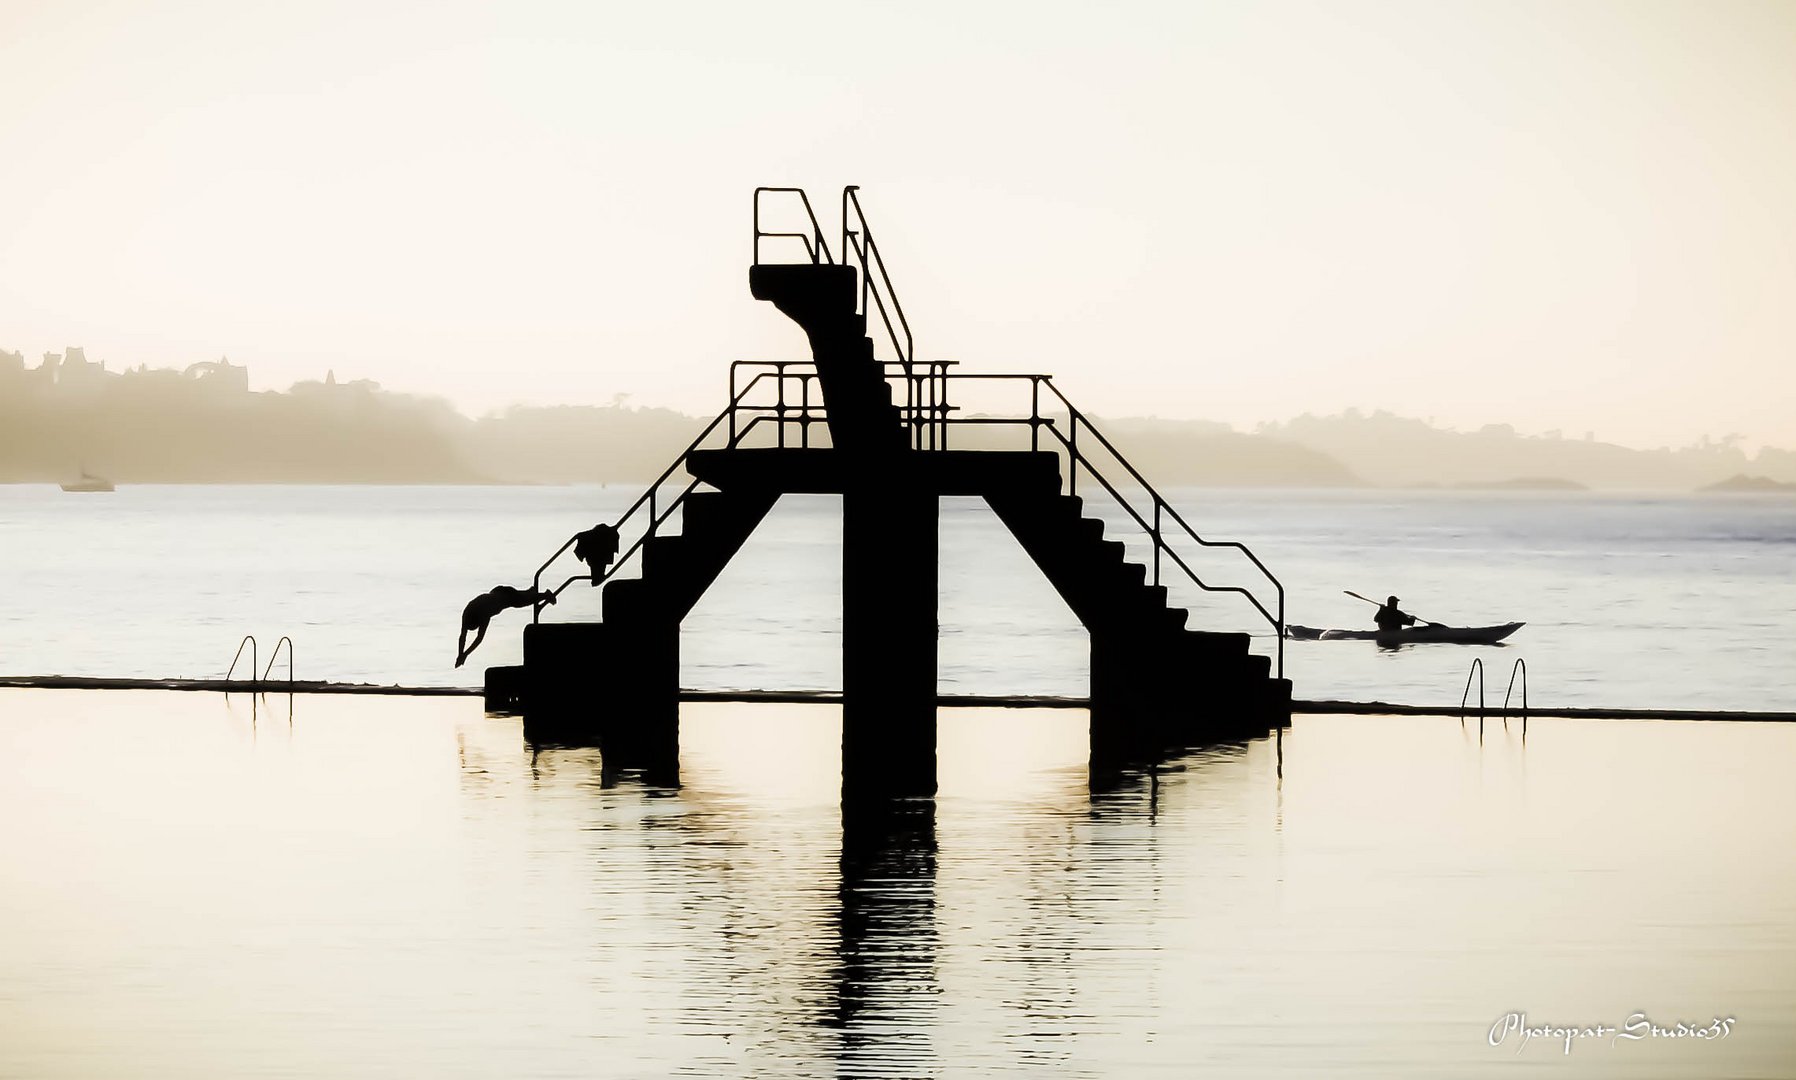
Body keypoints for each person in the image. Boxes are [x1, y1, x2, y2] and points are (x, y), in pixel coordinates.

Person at [456, 584, 554, 668]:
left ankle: (546, 595)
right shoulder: (467, 612)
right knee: (521, 597)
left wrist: (465, 654)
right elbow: (462, 636)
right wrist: (461, 654)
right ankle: (531, 591)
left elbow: (479, 638)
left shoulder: (484, 614)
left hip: (506, 596)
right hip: (497, 591)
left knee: (522, 602)